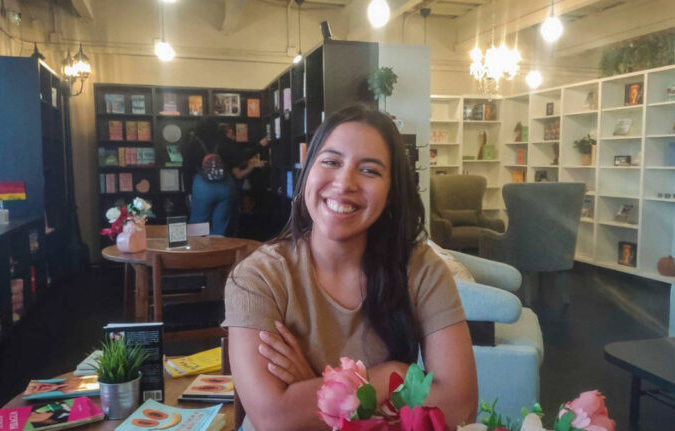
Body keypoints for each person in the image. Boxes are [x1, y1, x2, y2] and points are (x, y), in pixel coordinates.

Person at [223, 105, 477, 431]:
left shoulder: (421, 269)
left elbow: (459, 407)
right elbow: (274, 419)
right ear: (307, 173)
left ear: (391, 192)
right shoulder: (257, 278)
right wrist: (393, 375)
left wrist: (321, 386)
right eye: (330, 162)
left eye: (369, 171)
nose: (344, 182)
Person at [183, 118, 268, 236]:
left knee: (197, 228)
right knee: (220, 229)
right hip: (225, 186)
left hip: (202, 188)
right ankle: (219, 252)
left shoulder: (194, 144)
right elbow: (243, 156)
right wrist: (259, 145)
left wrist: (188, 192)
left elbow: (187, 170)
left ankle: (196, 253)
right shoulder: (225, 142)